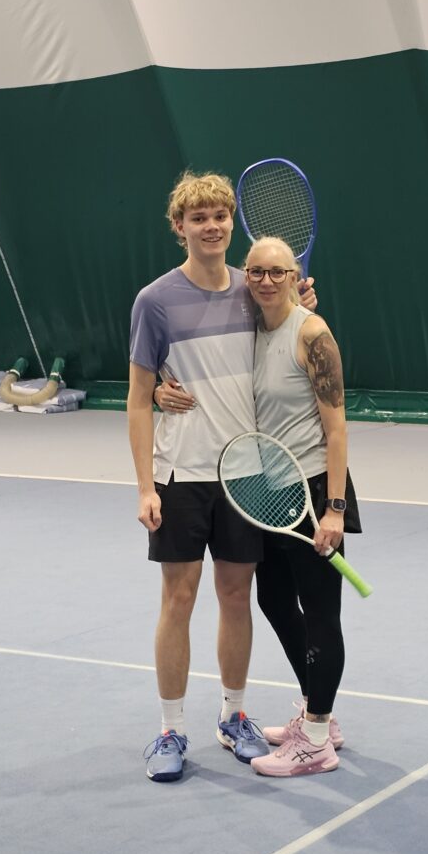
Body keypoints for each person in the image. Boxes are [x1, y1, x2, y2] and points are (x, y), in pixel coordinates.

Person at [127, 172, 316, 783]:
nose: (211, 227)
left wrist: (302, 303)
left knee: (236, 597)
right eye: (198, 218)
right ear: (179, 226)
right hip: (180, 475)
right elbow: (137, 398)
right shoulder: (154, 300)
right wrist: (146, 486)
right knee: (178, 599)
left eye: (220, 216)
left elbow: (290, 327)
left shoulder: (252, 289)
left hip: (244, 475)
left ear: (232, 223)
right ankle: (170, 729)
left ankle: (234, 716)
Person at [242, 236, 362, 777]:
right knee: (272, 599)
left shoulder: (311, 333)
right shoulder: (250, 330)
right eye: (256, 272)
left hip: (313, 489)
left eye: (277, 272)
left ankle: (314, 740)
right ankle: (320, 715)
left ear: (295, 276)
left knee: (320, 612)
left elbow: (337, 428)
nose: (266, 281)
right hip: (267, 490)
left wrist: (334, 509)